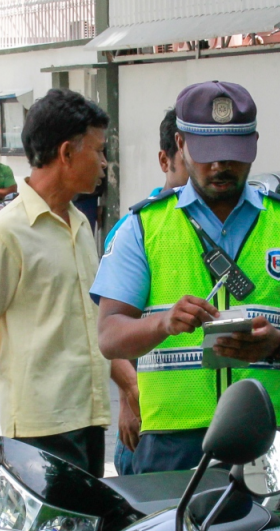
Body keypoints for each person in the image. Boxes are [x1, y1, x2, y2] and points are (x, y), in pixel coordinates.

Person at [92, 81, 280, 474]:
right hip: (172, 441)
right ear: (180, 143)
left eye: (234, 155)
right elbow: (108, 336)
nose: (221, 166)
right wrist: (163, 323)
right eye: (208, 155)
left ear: (254, 144)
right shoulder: (144, 227)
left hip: (271, 439)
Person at [0, 88, 111, 476]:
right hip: (40, 431)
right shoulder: (6, 233)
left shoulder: (79, 223)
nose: (105, 163)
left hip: (89, 418)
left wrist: (129, 384)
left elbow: (91, 321)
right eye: (98, 151)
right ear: (66, 153)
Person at [107, 106, 189, 476]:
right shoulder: (134, 230)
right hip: (149, 428)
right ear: (165, 159)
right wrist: (128, 396)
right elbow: (106, 332)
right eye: (188, 162)